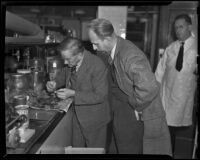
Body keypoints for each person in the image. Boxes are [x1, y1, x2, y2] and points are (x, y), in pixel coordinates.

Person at [88, 18, 172, 155]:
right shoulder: (115, 49)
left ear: (108, 39)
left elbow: (149, 87)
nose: (94, 48)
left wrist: (134, 103)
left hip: (141, 111)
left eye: (96, 43)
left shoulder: (129, 55)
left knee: (130, 148)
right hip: (124, 108)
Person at [46, 37, 111, 150]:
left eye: (68, 59)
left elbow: (100, 96)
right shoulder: (71, 62)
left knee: (94, 151)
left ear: (80, 54)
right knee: (77, 150)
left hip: (94, 119)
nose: (65, 62)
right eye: (64, 59)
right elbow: (63, 75)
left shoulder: (97, 65)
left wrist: (73, 94)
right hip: (77, 116)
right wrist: (54, 83)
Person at [155, 14, 197, 156]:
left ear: (189, 27)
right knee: (166, 130)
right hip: (167, 95)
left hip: (183, 97)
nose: (178, 31)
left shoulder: (196, 48)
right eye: (175, 28)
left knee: (171, 130)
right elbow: (159, 72)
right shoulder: (170, 48)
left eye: (181, 27)